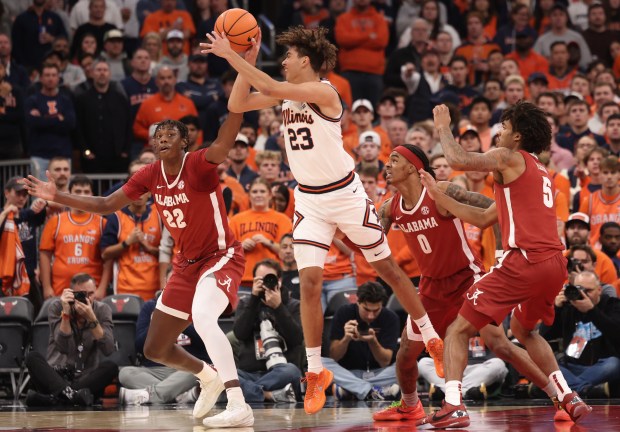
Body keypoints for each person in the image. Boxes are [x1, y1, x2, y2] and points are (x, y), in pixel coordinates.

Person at [202, 25, 443, 416]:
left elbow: (271, 86)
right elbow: (238, 103)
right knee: (310, 284)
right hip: (309, 201)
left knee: (389, 271)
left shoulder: (324, 91)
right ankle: (314, 372)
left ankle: (432, 339)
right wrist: (245, 57)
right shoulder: (286, 93)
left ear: (306, 61)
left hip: (346, 194)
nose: (282, 62)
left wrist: (230, 53)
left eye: (288, 55)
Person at [21, 106, 254, 426]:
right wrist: (59, 196)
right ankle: (207, 376)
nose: (162, 140)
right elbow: (105, 205)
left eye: (171, 134)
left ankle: (238, 402)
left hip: (220, 255)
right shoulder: (149, 174)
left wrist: (238, 103)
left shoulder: (199, 164)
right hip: (185, 264)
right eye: (157, 136)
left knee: (202, 317)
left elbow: (225, 140)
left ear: (185, 142)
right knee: (156, 347)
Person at [418, 102, 592, 428]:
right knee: (523, 331)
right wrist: (439, 196)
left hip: (524, 260)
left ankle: (453, 404)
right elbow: (484, 218)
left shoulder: (509, 157)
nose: (500, 132)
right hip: (554, 264)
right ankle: (567, 395)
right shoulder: (537, 172)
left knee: (457, 329)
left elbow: (457, 159)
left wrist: (442, 124)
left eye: (505, 127)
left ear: (518, 137)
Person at [371, 144, 555, 423]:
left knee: (500, 345)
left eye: (394, 159)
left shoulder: (442, 192)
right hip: (431, 288)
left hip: (466, 279)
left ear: (411, 167)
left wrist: (502, 253)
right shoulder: (389, 208)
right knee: (406, 354)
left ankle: (559, 396)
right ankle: (410, 405)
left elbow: (494, 207)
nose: (387, 164)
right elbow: (369, 244)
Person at [24, 273, 117, 407]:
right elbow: (63, 347)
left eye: (91, 294)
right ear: (72, 295)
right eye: (82, 295)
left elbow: (108, 349)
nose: (88, 300)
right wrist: (66, 314)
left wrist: (91, 318)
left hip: (85, 380)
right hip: (55, 377)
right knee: (32, 357)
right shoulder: (57, 307)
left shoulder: (102, 310)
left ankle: (55, 398)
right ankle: (73, 396)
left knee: (111, 367)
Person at [233, 259, 303, 403]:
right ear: (253, 281)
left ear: (280, 280)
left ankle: (245, 393)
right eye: (261, 279)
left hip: (280, 373)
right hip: (249, 373)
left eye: (269, 279)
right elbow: (240, 333)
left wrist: (278, 308)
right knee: (223, 375)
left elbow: (296, 339)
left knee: (293, 371)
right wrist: (253, 300)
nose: (265, 283)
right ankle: (269, 395)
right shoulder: (246, 303)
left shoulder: (293, 305)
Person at [118, 296, 210, 405]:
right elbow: (139, 345)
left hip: (186, 368)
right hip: (156, 370)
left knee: (200, 369)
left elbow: (206, 341)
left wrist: (178, 321)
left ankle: (152, 395)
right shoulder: (150, 307)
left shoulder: (197, 305)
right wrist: (156, 324)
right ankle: (179, 395)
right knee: (125, 373)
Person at [542, 270, 620, 396]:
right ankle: (585, 389)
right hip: (571, 367)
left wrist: (592, 311)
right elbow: (543, 336)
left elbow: (616, 333)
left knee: (614, 364)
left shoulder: (613, 305)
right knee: (546, 364)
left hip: (602, 366)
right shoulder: (568, 307)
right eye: (579, 290)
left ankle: (568, 388)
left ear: (599, 290)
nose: (584, 295)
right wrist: (555, 309)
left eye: (588, 290)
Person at [324, 281, 400, 401]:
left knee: (411, 365)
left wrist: (373, 341)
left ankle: (353, 390)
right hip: (349, 372)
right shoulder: (344, 312)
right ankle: (373, 391)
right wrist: (346, 338)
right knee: (318, 362)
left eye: (376, 310)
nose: (370, 316)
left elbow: (385, 362)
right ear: (357, 301)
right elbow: (334, 357)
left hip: (379, 373)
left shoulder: (390, 317)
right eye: (366, 309)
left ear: (382, 305)